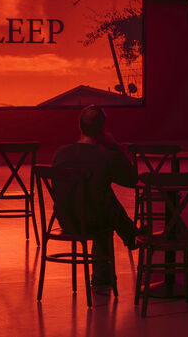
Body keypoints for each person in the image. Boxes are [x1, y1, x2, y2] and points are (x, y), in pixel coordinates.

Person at [51, 105, 138, 288]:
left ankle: (130, 236)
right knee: (102, 205)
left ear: (79, 127)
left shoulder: (61, 154)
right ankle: (129, 239)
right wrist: (113, 145)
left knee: (101, 196)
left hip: (66, 220)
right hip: (93, 221)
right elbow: (131, 179)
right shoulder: (106, 156)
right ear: (102, 130)